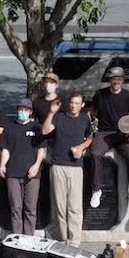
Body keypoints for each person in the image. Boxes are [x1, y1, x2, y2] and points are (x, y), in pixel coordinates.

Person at [41, 91, 94, 246]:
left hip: (76, 167)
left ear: (82, 105)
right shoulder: (59, 117)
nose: (74, 106)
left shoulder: (85, 119)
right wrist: (51, 112)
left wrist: (82, 147)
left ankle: (74, 241)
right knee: (59, 205)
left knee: (75, 207)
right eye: (72, 102)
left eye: (77, 103)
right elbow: (44, 131)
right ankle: (62, 238)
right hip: (58, 165)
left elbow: (90, 137)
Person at [89, 66, 129, 209]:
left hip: (122, 133)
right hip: (104, 132)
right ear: (110, 80)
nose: (116, 81)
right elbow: (92, 112)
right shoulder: (100, 94)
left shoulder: (128, 96)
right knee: (95, 153)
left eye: (119, 78)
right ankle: (96, 190)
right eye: (113, 79)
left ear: (122, 80)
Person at [0, 98, 46, 235]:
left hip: (32, 174)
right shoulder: (9, 128)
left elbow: (41, 149)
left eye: (25, 110)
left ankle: (29, 237)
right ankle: (17, 237)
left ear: (30, 111)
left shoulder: (37, 127)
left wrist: (36, 166)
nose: (22, 112)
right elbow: (6, 149)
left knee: (30, 208)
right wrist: (2, 164)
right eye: (20, 109)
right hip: (13, 173)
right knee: (15, 208)